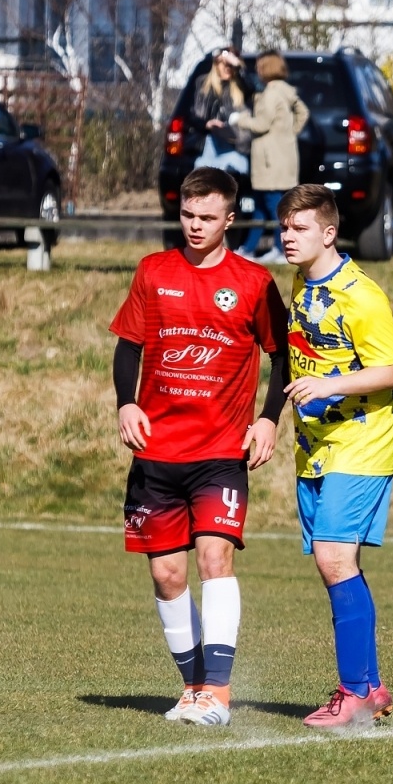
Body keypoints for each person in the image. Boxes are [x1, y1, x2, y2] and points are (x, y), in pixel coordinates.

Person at [109, 167, 289, 726]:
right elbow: (129, 346)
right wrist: (126, 403)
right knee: (167, 575)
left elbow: (282, 355)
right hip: (156, 452)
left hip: (219, 454)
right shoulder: (153, 271)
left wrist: (268, 418)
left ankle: (219, 692)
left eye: (207, 217)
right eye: (188, 215)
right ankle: (192, 689)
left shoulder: (254, 282)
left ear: (229, 219)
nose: (195, 225)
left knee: (214, 559)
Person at [276, 184, 393, 728]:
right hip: (314, 449)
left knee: (333, 559)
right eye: (284, 227)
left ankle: (351, 693)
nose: (288, 236)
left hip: (361, 443)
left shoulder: (361, 295)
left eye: (300, 228)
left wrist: (331, 385)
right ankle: (371, 688)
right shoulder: (299, 284)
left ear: (329, 233)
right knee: (339, 563)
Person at [230, 51, 309, 263]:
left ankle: (281, 249)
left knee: (274, 208)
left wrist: (239, 119)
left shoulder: (271, 94)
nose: (257, 70)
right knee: (261, 207)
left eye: (259, 66)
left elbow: (261, 124)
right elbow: (303, 112)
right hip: (284, 158)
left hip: (269, 162)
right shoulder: (287, 91)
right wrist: (289, 133)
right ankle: (248, 249)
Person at [193, 48, 252, 177]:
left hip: (234, 142)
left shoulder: (240, 86)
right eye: (225, 64)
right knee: (204, 181)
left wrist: (238, 65)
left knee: (236, 177)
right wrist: (206, 124)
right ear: (216, 64)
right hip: (208, 142)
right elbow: (191, 115)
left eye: (231, 66)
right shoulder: (203, 84)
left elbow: (251, 89)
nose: (228, 68)